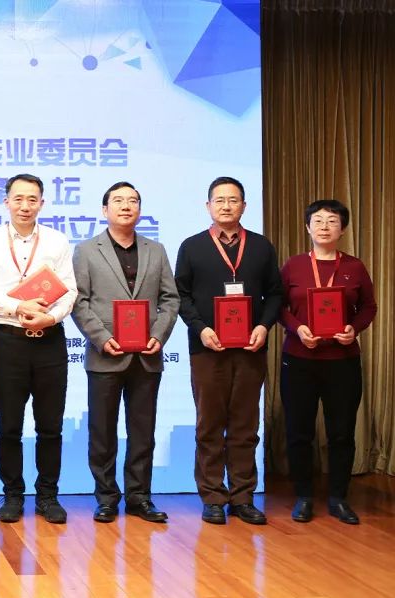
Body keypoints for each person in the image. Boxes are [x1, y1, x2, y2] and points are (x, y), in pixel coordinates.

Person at [175, 176, 282, 525]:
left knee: (245, 424)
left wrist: (263, 326)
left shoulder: (262, 246)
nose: (226, 206)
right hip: (208, 348)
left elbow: (275, 293)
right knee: (209, 424)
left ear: (244, 206)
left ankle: (242, 496)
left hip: (251, 348)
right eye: (219, 200)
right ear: (208, 206)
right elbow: (181, 295)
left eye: (233, 200)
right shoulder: (192, 247)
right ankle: (212, 497)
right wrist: (201, 329)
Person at [71, 182, 179, 523]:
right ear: (105, 210)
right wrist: (101, 338)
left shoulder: (156, 250)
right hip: (105, 354)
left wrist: (159, 335)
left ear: (140, 210)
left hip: (146, 355)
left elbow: (170, 299)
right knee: (102, 432)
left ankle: (139, 497)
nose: (126, 206)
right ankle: (106, 498)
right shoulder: (87, 250)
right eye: (118, 201)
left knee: (143, 432)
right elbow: (79, 301)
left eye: (132, 200)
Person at [0, 173, 77, 524]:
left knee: (51, 425)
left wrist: (50, 318)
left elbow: (70, 290)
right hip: (9, 340)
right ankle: (12, 495)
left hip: (50, 340)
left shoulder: (57, 240)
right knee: (9, 425)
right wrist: (19, 307)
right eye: (18, 199)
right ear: (6, 202)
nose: (25, 206)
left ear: (41, 203)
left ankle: (48, 496)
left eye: (32, 199)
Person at [279, 199, 376, 525]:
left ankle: (338, 498)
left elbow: (368, 307)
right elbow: (279, 307)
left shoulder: (354, 267)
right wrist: (297, 329)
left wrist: (353, 329)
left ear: (342, 229)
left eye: (332, 221)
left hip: (342, 361)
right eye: (318, 220)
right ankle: (304, 496)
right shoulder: (293, 266)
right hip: (299, 359)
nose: (324, 226)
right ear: (307, 227)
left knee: (341, 432)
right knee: (299, 432)